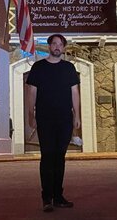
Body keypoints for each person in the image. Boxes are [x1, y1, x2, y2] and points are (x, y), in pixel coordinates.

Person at [26, 33, 80, 213]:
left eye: (60, 44)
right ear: (49, 46)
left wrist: (77, 116)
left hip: (64, 119)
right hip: (45, 119)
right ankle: (46, 198)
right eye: (54, 43)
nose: (57, 46)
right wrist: (31, 115)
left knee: (59, 157)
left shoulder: (69, 68)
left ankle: (58, 196)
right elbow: (32, 92)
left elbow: (74, 93)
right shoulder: (38, 67)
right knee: (48, 157)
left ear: (63, 48)